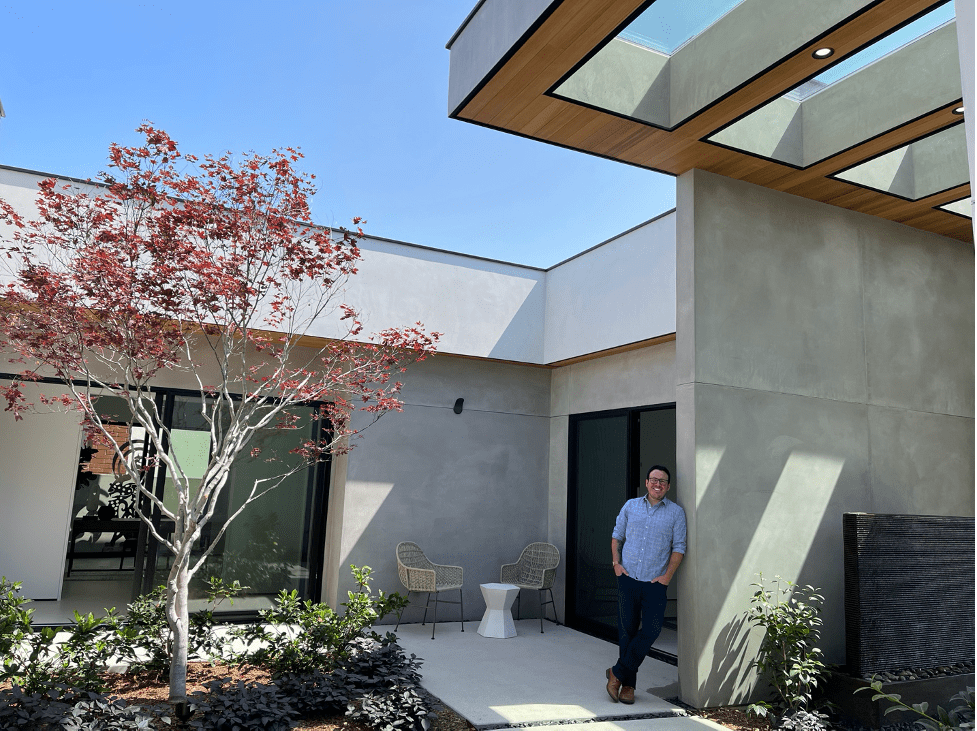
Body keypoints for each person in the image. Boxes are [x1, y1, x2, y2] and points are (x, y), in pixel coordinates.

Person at [606, 464, 686, 705]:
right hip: (628, 579)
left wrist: (667, 578)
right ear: (647, 482)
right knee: (627, 633)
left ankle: (616, 673)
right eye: (654, 479)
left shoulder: (675, 513)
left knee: (651, 631)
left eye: (662, 481)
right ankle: (628, 686)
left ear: (668, 486)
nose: (657, 484)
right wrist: (616, 564)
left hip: (655, 583)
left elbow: (679, 547)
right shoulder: (631, 506)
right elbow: (616, 535)